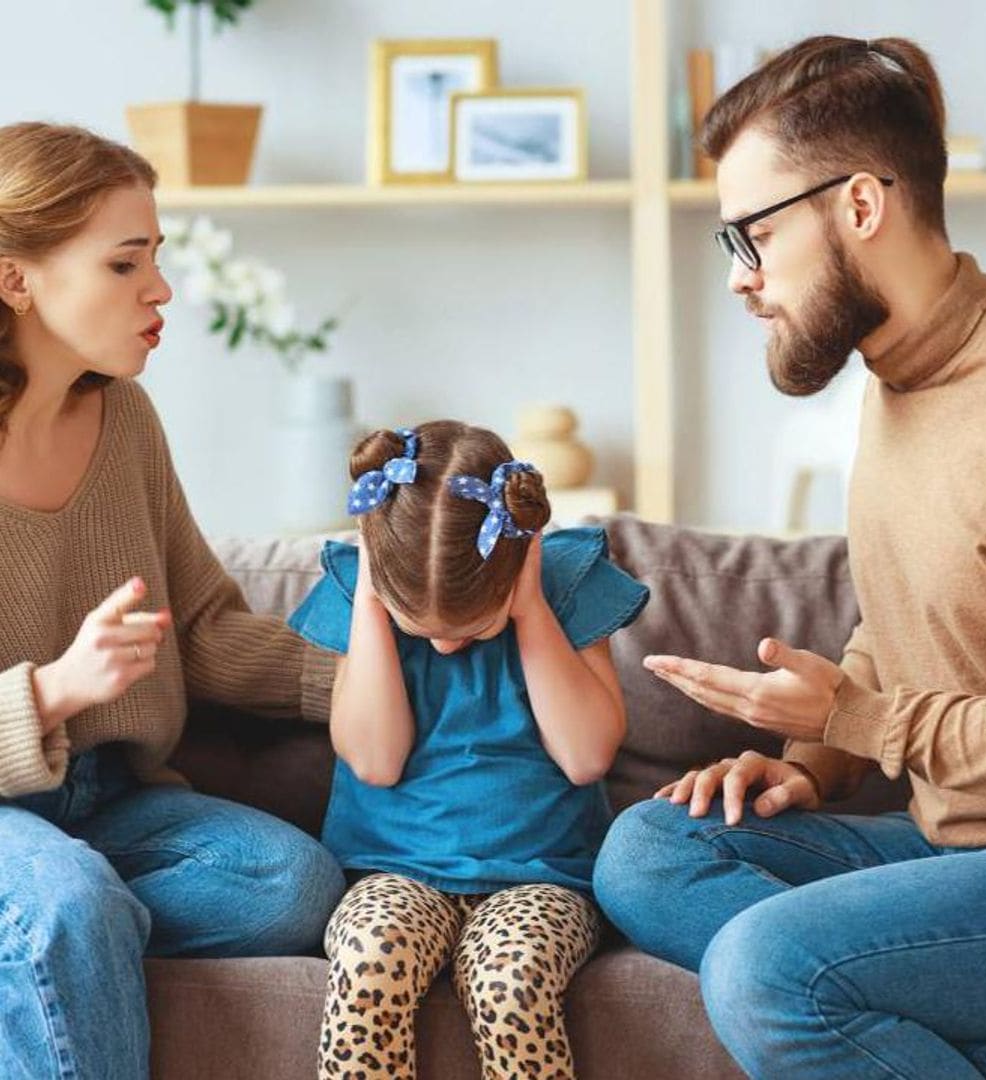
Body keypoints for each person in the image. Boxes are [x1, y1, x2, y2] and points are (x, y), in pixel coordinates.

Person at [593, 35, 986, 1080]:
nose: (741, 280)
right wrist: (811, 764)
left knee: (766, 968)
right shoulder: (893, 382)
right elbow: (915, 628)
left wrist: (860, 720)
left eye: (753, 235)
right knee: (649, 850)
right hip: (954, 847)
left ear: (861, 206)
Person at [0, 121, 345, 1078]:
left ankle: (46, 941)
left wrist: (359, 677)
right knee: (68, 902)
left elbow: (198, 625)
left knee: (292, 886)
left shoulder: (126, 418)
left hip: (105, 802)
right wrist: (50, 694)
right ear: (15, 279)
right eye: (124, 263)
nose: (160, 290)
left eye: (156, 257)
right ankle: (55, 923)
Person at [287, 422, 649, 1080]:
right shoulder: (362, 594)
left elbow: (585, 756)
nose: (447, 646)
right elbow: (375, 761)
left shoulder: (565, 586)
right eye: (419, 628)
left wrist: (531, 607)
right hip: (391, 871)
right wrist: (374, 600)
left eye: (471, 628)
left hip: (542, 877)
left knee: (511, 982)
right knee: (370, 961)